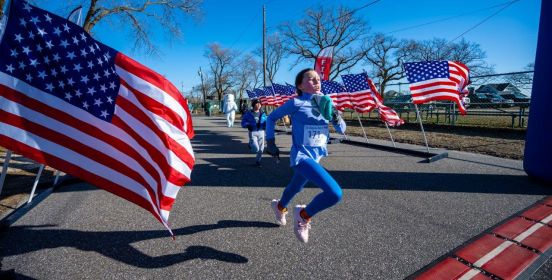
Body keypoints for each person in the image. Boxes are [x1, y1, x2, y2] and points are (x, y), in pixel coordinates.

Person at [265, 68, 346, 243]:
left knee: (295, 187)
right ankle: (303, 215)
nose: (317, 81)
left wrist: (335, 116)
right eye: (311, 79)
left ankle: (279, 206)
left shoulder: (326, 102)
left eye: (318, 78)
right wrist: (270, 142)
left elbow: (341, 130)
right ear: (300, 85)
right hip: (302, 156)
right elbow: (271, 118)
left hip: (317, 155)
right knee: (334, 193)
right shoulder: (296, 103)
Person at [241, 99, 267, 167]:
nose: (258, 105)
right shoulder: (248, 113)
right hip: (253, 132)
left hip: (261, 131)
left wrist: (267, 126)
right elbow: (243, 123)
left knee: (261, 149)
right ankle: (250, 143)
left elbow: (266, 122)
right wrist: (248, 125)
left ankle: (258, 161)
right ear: (253, 105)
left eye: (259, 104)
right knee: (256, 149)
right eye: (257, 103)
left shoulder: (263, 113)